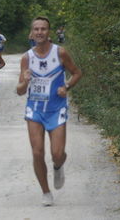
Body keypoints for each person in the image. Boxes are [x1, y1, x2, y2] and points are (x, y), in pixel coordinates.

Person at [16, 17, 82, 206]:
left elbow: (77, 72)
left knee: (57, 153)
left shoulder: (60, 53)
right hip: (35, 110)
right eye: (36, 29)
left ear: (49, 32)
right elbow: (20, 91)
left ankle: (58, 165)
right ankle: (46, 192)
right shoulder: (27, 58)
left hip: (56, 108)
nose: (39, 32)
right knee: (37, 153)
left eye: (43, 29)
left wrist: (67, 86)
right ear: (31, 33)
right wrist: (25, 80)